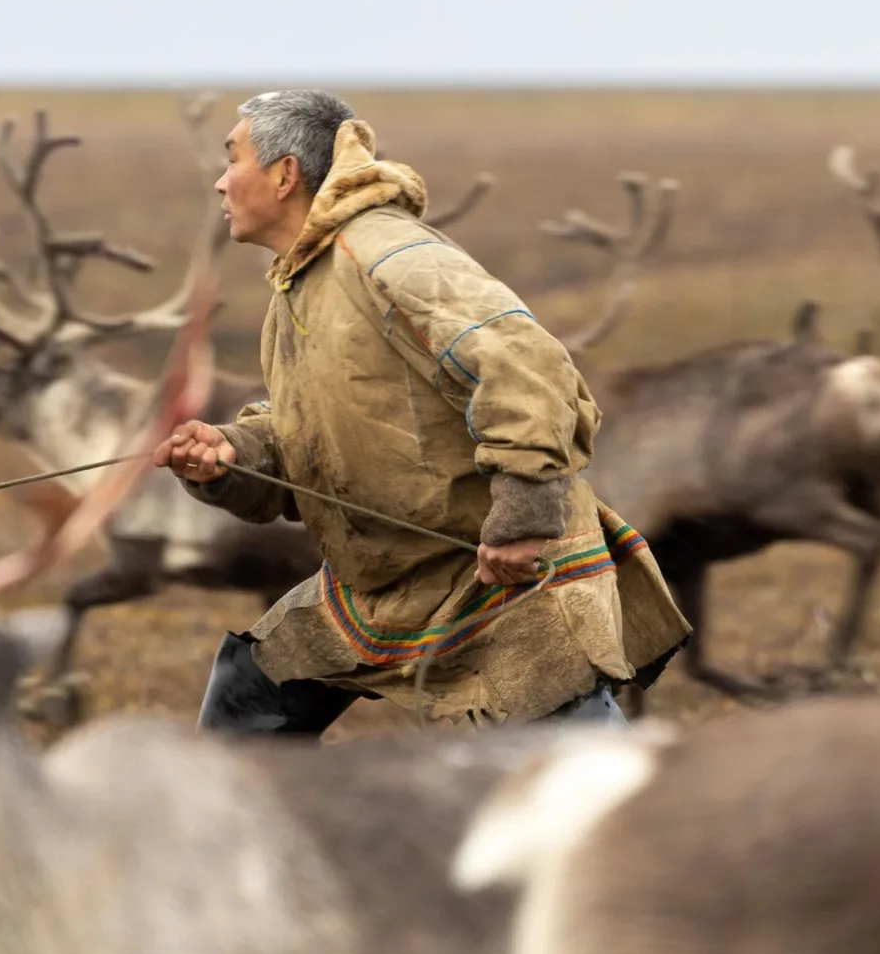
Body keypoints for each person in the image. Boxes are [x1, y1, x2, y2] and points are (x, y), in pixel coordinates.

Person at [153, 90, 690, 736]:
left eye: (232, 158)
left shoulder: (389, 257)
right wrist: (231, 456)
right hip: (383, 589)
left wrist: (522, 515)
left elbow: (528, 367)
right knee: (249, 695)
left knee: (582, 783)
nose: (220, 181)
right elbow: (310, 442)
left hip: (493, 577)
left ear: (284, 174)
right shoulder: (297, 291)